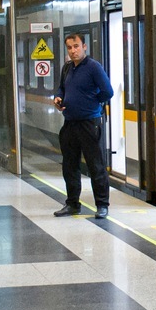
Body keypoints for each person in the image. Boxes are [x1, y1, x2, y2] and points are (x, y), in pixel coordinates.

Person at [52, 32, 114, 218]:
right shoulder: (67, 68)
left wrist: (92, 102)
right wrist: (58, 97)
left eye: (76, 46)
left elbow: (108, 92)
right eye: (69, 48)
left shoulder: (94, 67)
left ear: (84, 47)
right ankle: (72, 204)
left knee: (96, 166)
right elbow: (62, 88)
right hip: (70, 123)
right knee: (70, 166)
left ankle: (102, 205)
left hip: (89, 123)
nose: (73, 51)